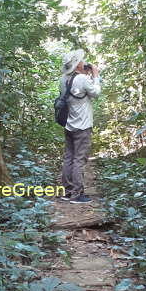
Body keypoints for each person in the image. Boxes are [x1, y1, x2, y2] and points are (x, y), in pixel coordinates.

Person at [60, 48, 101, 203]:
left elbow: (77, 93)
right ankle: (77, 195)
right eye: (81, 61)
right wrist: (95, 75)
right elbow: (95, 93)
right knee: (79, 160)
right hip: (82, 126)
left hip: (69, 124)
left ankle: (67, 192)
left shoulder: (63, 79)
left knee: (69, 158)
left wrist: (87, 76)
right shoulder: (82, 79)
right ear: (77, 65)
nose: (84, 62)